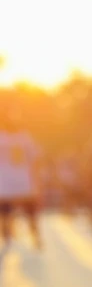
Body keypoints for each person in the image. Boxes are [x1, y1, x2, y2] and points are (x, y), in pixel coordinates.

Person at [0, 105, 42, 249]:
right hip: (23, 183)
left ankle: (7, 238)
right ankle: (35, 237)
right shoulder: (25, 137)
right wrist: (36, 181)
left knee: (6, 212)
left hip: (5, 184)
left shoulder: (2, 137)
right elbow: (35, 159)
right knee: (29, 213)